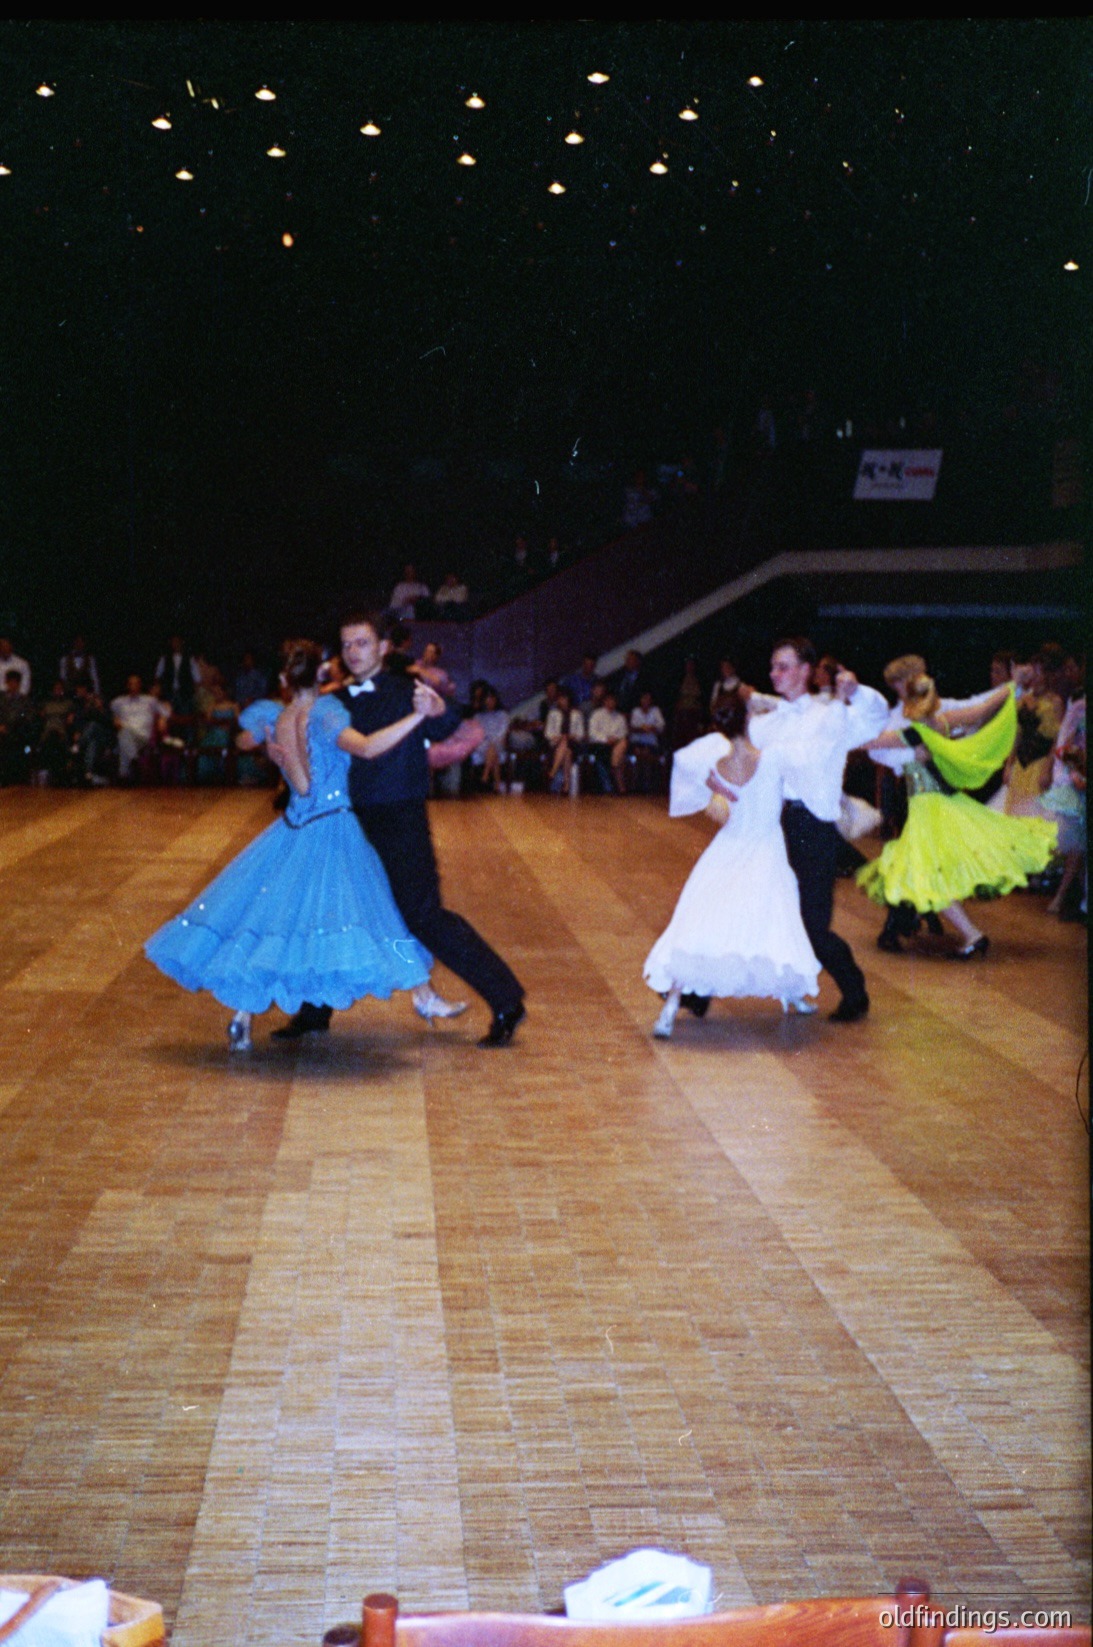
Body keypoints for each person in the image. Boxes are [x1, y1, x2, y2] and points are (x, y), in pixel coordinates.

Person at [145, 640, 458, 1051]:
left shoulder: (277, 715)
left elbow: (252, 746)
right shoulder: (324, 713)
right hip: (331, 825)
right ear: (321, 677)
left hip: (295, 825)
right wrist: (415, 719)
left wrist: (270, 748)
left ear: (283, 679)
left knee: (275, 922)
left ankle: (242, 1016)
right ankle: (423, 996)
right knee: (374, 909)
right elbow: (364, 748)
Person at [278, 616, 526, 1048]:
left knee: (423, 915)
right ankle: (314, 1010)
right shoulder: (332, 701)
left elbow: (447, 727)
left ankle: (507, 1000)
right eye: (347, 644)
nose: (354, 651)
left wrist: (438, 708)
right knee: (334, 913)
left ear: (383, 647)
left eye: (363, 642)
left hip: (401, 817)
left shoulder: (406, 690)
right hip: (349, 822)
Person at [644, 693, 820, 1038]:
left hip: (727, 850)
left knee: (700, 925)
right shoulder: (773, 757)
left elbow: (716, 806)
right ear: (748, 720)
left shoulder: (716, 765)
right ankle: (793, 994)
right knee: (776, 919)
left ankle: (669, 1009)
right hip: (765, 849)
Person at [858, 676, 1057, 955]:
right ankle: (952, 930)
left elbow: (867, 743)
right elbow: (982, 710)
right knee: (925, 872)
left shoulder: (912, 733)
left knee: (928, 875)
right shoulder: (943, 721)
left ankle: (972, 935)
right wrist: (1011, 689)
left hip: (929, 809)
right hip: (945, 802)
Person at [744, 637, 889, 1022]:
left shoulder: (831, 715)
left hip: (814, 830)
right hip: (773, 827)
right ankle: (697, 994)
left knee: (812, 926)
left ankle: (854, 990)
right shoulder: (766, 723)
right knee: (753, 908)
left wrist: (857, 692)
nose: (776, 673)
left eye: (785, 666)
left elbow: (875, 718)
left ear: (806, 670)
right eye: (773, 666)